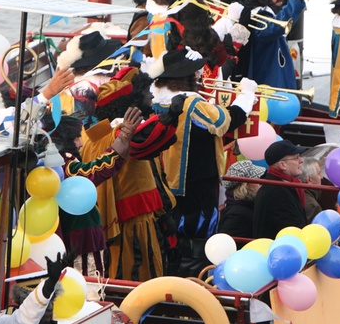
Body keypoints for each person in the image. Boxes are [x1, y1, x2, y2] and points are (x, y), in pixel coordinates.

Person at [148, 48, 255, 277]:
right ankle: (192, 287)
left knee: (170, 238)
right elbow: (226, 121)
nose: (199, 77)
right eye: (195, 74)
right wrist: (247, 96)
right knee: (196, 244)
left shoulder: (154, 100)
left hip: (162, 184)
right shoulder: (193, 104)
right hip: (195, 185)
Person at [82, 67, 181, 281]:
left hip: (147, 217)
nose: (152, 95)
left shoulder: (104, 133)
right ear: (130, 106)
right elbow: (141, 142)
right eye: (146, 92)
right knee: (136, 276)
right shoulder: (118, 135)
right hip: (132, 226)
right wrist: (169, 117)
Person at [50, 106, 142, 276]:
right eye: (76, 138)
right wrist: (124, 136)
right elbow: (95, 170)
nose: (80, 143)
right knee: (90, 290)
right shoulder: (61, 165)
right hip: (80, 242)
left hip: (81, 239)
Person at [240, 0, 306, 89]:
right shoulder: (258, 18)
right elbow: (272, 29)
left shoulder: (268, 15)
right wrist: (296, 1)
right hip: (269, 84)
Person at [253, 141, 309, 239]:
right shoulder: (276, 191)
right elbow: (291, 228)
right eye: (296, 158)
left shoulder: (282, 185)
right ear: (282, 165)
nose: (301, 160)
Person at [218, 160, 265, 241]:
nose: (261, 183)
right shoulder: (237, 213)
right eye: (258, 178)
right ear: (245, 185)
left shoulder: (243, 205)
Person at [298, 157, 324, 222]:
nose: (321, 177)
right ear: (309, 179)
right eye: (318, 173)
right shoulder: (312, 206)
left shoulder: (294, 193)